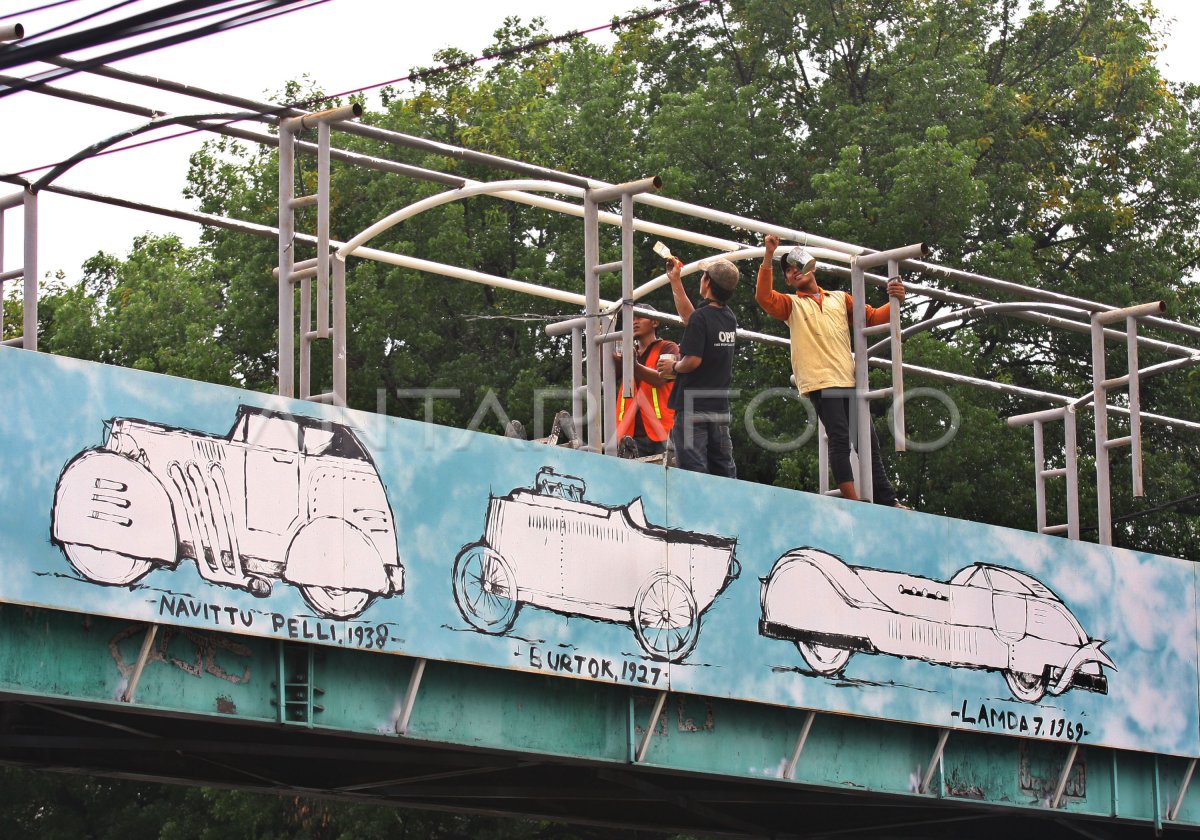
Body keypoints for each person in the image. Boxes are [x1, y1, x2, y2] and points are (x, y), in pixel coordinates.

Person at [757, 234, 907, 507]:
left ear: (811, 266)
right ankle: (853, 502)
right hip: (820, 381)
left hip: (848, 378)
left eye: (796, 266)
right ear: (789, 281)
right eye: (789, 272)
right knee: (839, 438)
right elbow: (764, 297)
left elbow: (872, 316)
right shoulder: (793, 304)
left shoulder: (840, 299)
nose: (793, 272)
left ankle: (889, 501)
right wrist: (768, 255)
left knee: (868, 442)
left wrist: (895, 299)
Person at [655, 256, 739, 477]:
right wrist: (675, 281)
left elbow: (692, 361)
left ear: (707, 282)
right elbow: (690, 319)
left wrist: (673, 367)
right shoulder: (728, 317)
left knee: (694, 471)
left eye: (703, 275)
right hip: (718, 406)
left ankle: (698, 511)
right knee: (723, 468)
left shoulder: (702, 318)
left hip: (693, 406)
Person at [612, 306, 679, 458]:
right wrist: (604, 337)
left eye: (639, 317)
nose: (634, 322)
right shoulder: (626, 353)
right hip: (630, 435)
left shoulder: (668, 347)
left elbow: (661, 379)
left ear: (655, 322)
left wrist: (632, 364)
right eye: (632, 319)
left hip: (663, 433)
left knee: (666, 481)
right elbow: (603, 374)